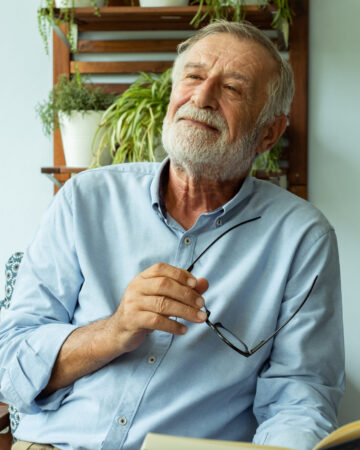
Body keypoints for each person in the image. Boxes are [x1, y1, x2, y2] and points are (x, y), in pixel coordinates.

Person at [0, 20, 344, 450]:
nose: (202, 97)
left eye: (232, 89)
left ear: (269, 132)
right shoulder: (84, 198)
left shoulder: (302, 238)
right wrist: (113, 331)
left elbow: (300, 398)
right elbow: (9, 363)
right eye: (194, 76)